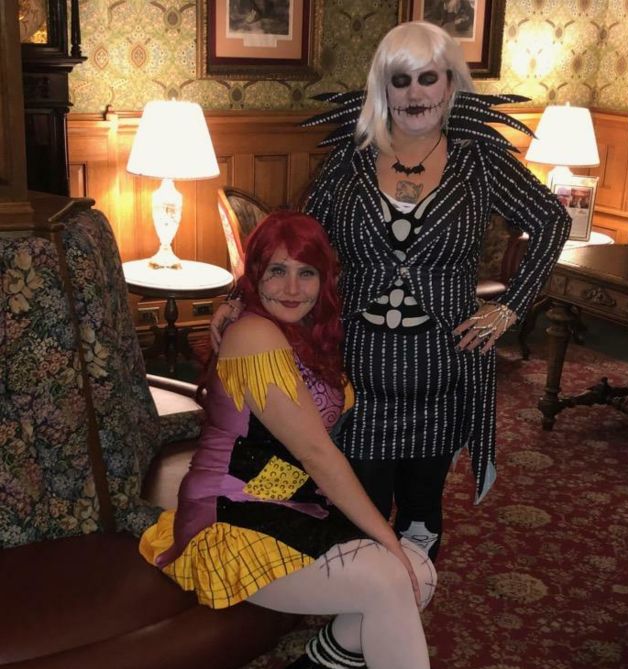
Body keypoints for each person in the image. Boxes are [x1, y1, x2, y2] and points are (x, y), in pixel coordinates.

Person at [140, 210, 503, 669]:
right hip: (227, 515)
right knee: (397, 575)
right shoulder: (254, 335)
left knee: (419, 574)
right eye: (275, 271)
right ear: (254, 275)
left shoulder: (307, 330)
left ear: (323, 279)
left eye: (306, 273)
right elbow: (316, 453)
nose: (291, 287)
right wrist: (387, 538)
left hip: (284, 502)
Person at [213, 22, 571, 567]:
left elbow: (552, 220)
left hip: (444, 369)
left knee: (423, 513)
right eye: (400, 80)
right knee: (360, 509)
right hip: (360, 370)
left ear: (450, 83)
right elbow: (296, 240)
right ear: (383, 88)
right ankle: (366, 606)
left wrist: (510, 306)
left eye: (428, 78)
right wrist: (241, 296)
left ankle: (411, 595)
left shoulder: (481, 160)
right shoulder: (351, 159)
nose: (415, 93)